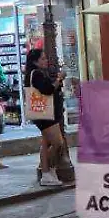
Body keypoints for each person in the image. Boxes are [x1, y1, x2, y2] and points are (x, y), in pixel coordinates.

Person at [24, 48, 67, 187]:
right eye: (42, 58)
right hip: (45, 114)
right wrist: (59, 78)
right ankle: (47, 170)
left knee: (46, 143)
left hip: (43, 113)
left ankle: (47, 172)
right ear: (35, 61)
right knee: (58, 143)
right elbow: (47, 90)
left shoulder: (35, 73)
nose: (46, 60)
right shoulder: (36, 74)